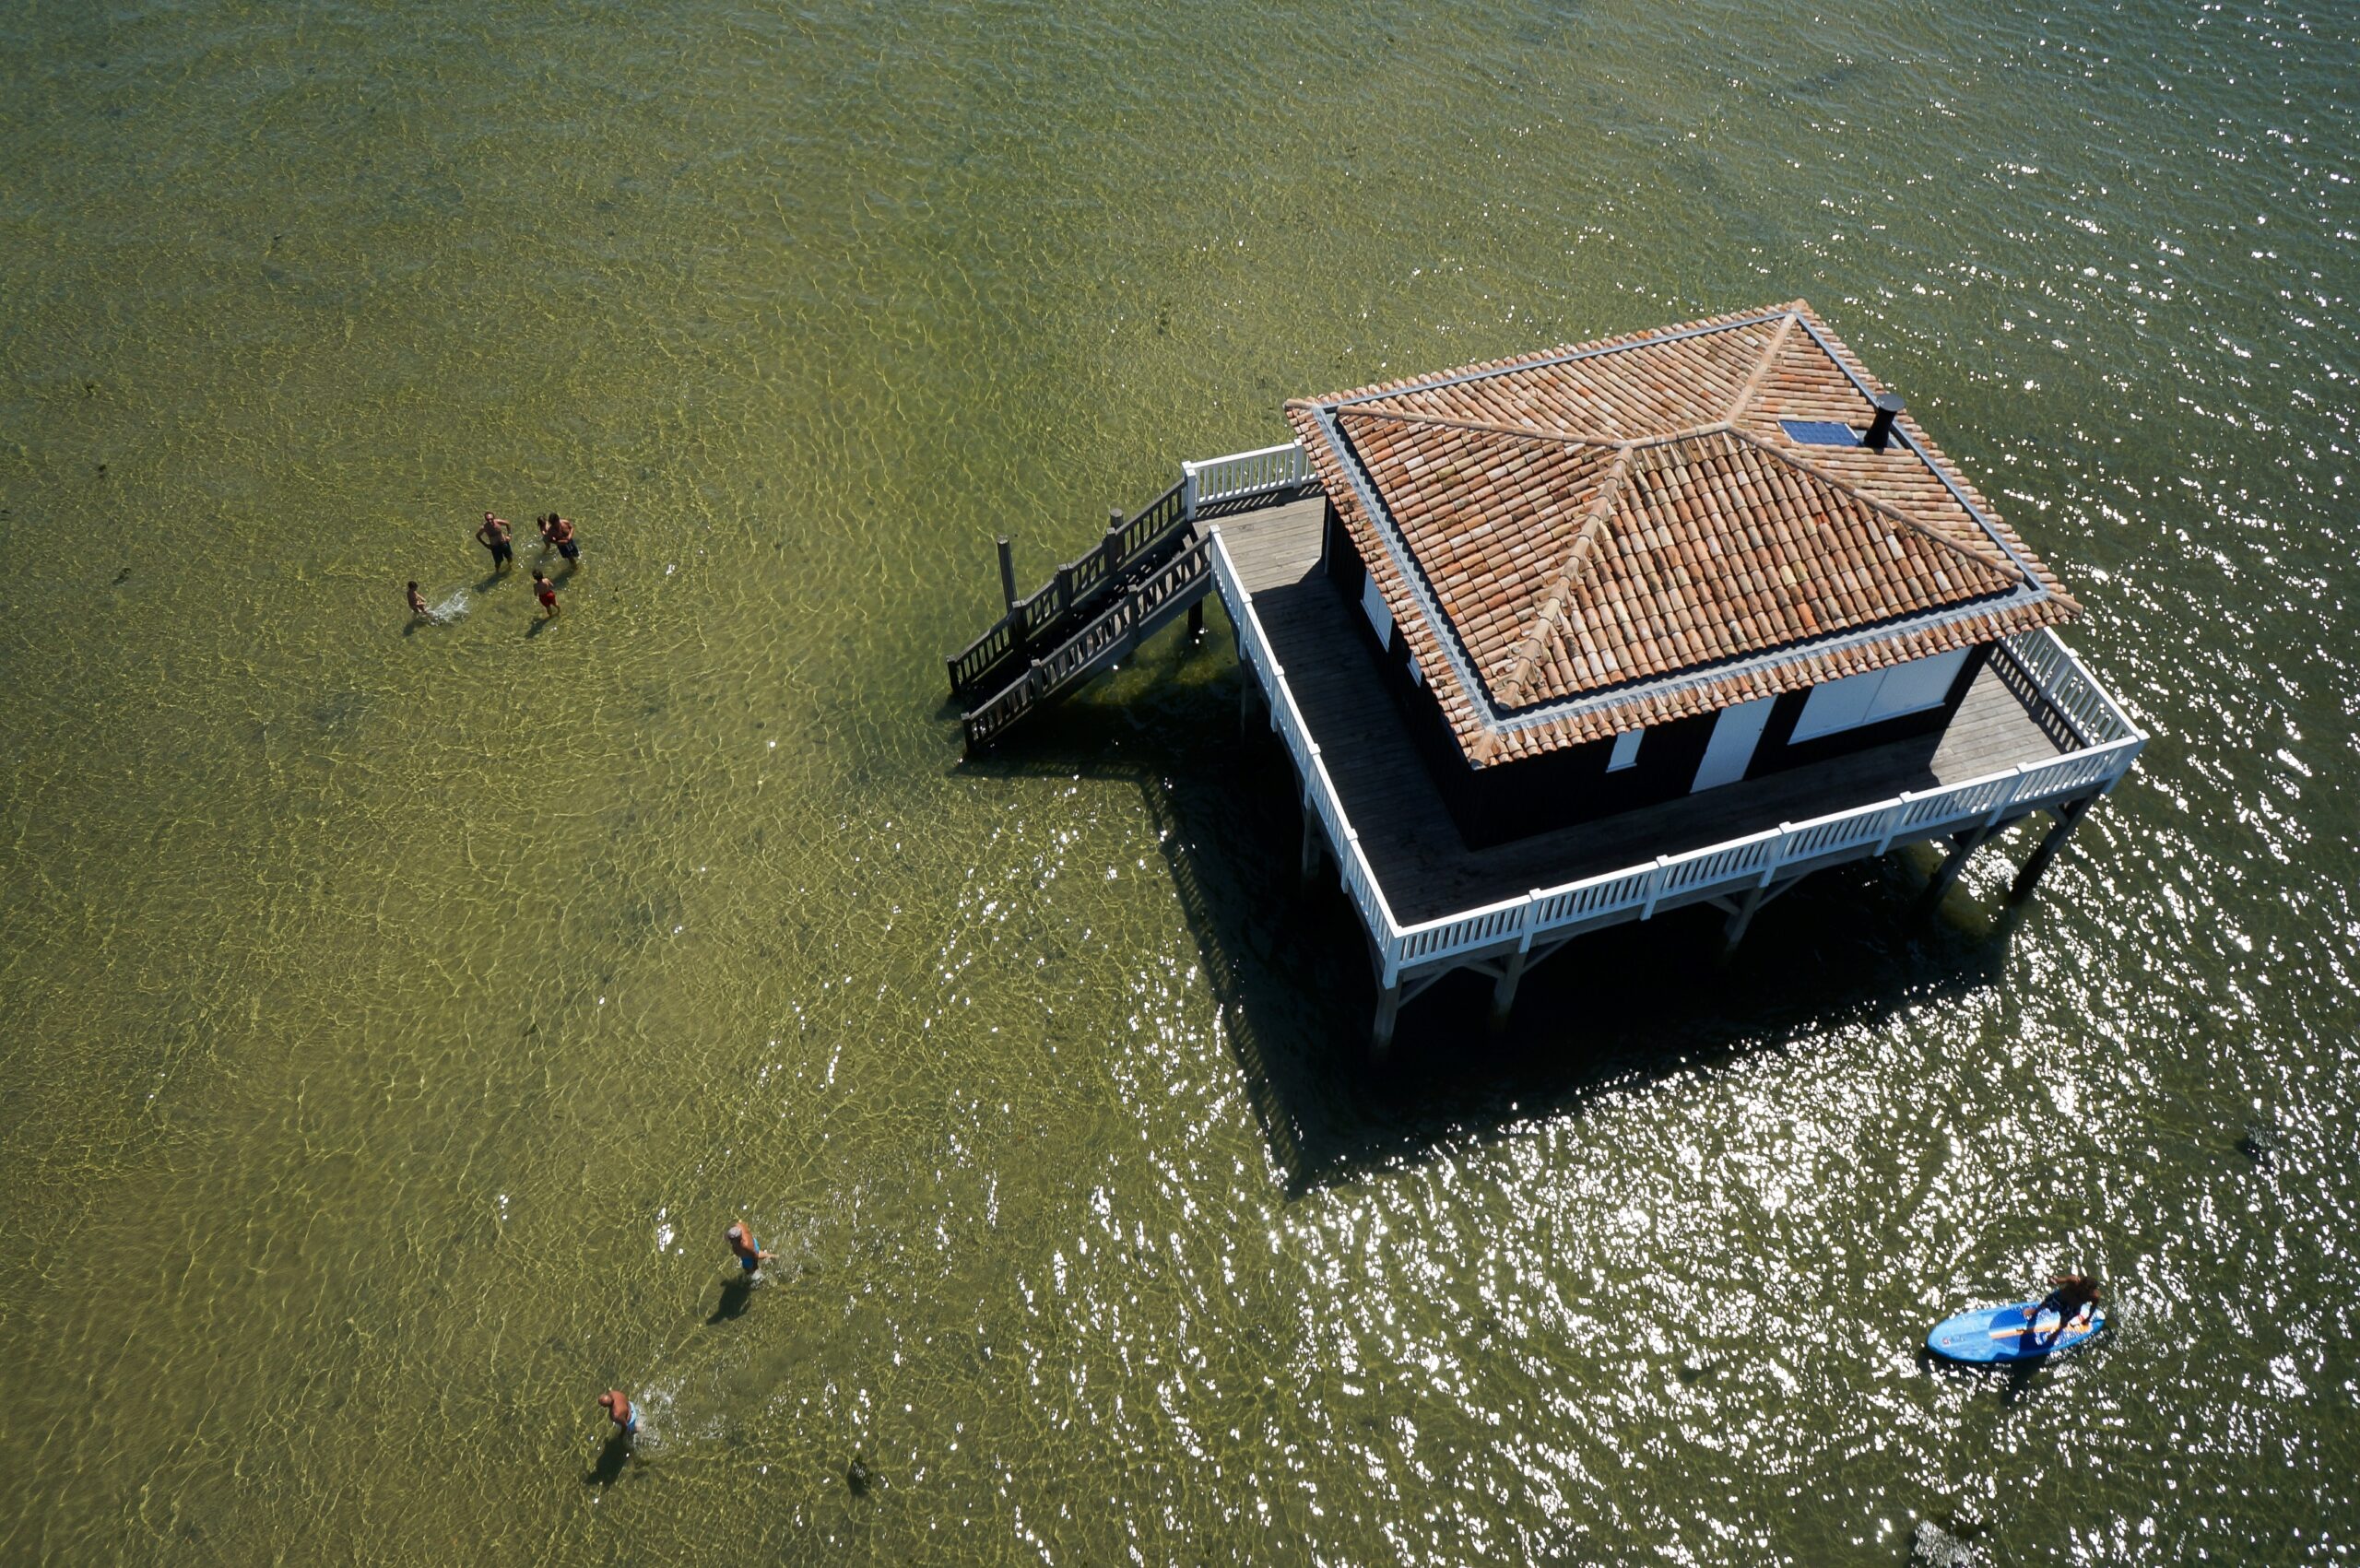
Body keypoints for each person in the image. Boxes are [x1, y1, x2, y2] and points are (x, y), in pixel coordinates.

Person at [2025, 1273, 2102, 1336]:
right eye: (2081, 1285)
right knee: (2044, 1304)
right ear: (2080, 1281)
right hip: (2059, 1299)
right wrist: (2053, 1281)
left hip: (2072, 1308)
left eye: (2085, 1289)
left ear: (2091, 1290)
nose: (2081, 1289)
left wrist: (2088, 1319)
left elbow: (2093, 1308)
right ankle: (2035, 1311)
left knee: (2064, 1322)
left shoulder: (2094, 1297)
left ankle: (2057, 1332)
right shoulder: (2074, 1281)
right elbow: (2060, 1280)